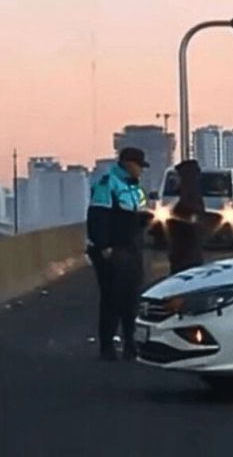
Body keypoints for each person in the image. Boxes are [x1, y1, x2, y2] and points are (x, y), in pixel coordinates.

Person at [86, 147, 150, 361]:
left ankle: (131, 344)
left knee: (132, 298)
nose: (141, 170)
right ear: (127, 163)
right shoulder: (108, 183)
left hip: (132, 249)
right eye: (139, 166)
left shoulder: (135, 188)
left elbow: (139, 215)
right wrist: (104, 247)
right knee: (112, 298)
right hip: (113, 251)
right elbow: (97, 216)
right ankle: (107, 347)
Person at [166, 159, 206, 274]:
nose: (175, 180)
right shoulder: (190, 198)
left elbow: (191, 229)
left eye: (178, 177)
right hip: (186, 256)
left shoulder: (190, 201)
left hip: (186, 258)